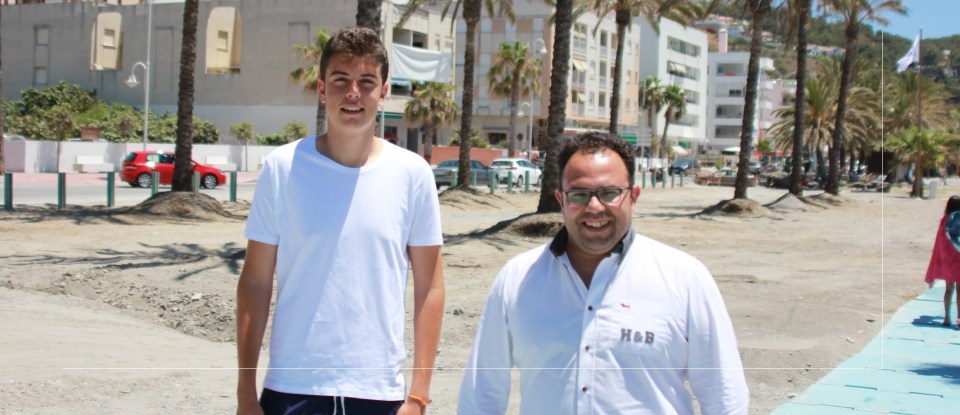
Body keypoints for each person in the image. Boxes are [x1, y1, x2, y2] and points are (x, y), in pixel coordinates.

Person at [458, 132, 749, 414]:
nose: (594, 207)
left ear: (633, 196)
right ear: (561, 200)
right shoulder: (517, 279)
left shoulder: (684, 278)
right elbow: (482, 394)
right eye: (579, 195)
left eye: (609, 193)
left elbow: (724, 396)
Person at [236, 26, 444, 415]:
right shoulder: (282, 168)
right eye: (340, 80)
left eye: (366, 82)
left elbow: (430, 286)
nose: (353, 92)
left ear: (383, 92)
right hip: (292, 388)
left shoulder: (413, 174)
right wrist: (246, 393)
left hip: (379, 393)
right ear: (321, 89)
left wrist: (418, 395)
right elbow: (255, 282)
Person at [924, 195, 960, 327]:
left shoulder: (944, 220)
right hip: (958, 257)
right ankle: (959, 317)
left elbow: (941, 239)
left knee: (948, 289)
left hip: (948, 259)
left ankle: (946, 317)